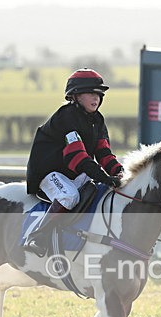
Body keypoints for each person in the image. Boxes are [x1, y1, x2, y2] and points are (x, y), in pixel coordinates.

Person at [24, 68, 124, 256]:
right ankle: (37, 237)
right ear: (76, 96)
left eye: (99, 94)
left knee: (102, 191)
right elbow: (77, 156)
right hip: (49, 172)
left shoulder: (98, 120)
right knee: (69, 196)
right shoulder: (66, 116)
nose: (96, 98)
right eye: (90, 93)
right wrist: (104, 177)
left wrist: (120, 173)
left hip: (73, 172)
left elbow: (103, 153)